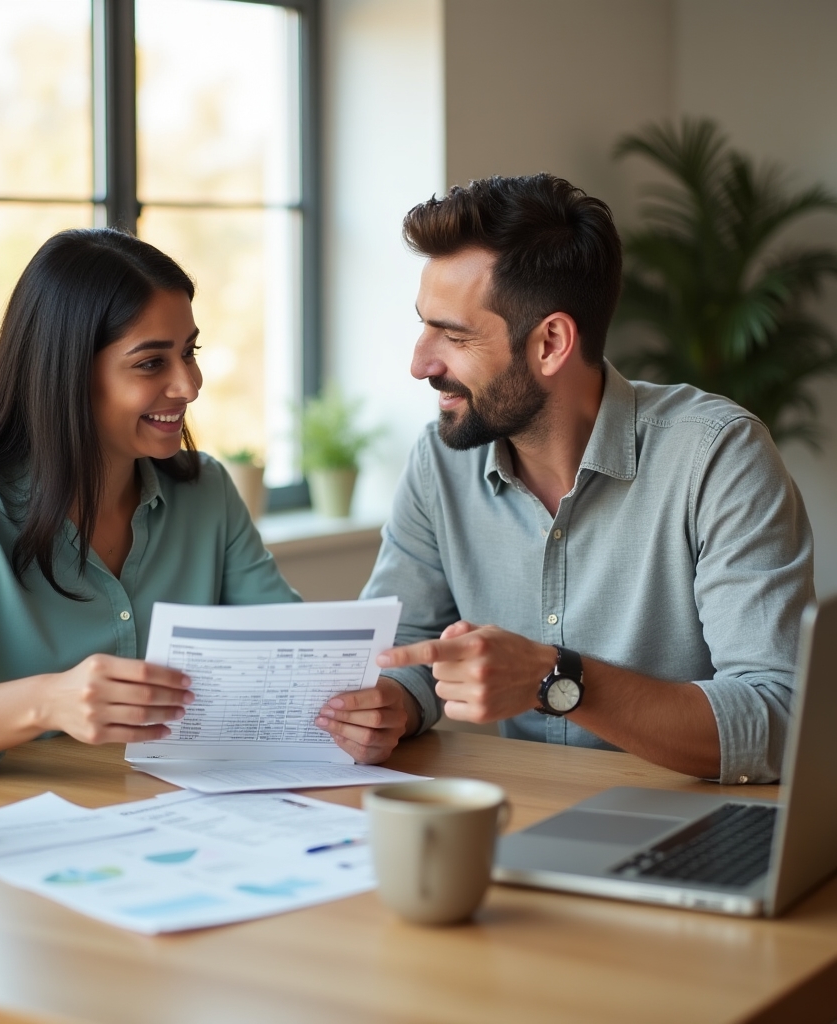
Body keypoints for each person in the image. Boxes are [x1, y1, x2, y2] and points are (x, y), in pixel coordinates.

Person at [314, 174, 814, 784]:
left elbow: (780, 717)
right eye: (424, 326)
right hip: (526, 808)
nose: (420, 363)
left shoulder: (717, 456)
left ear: (550, 342)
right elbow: (408, 646)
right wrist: (392, 702)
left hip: (693, 823)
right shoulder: (441, 461)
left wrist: (558, 677)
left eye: (453, 334)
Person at [0, 228, 301, 778]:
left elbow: (293, 651)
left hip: (184, 816)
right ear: (67, 372)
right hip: (17, 826)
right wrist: (49, 701)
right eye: (151, 363)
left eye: (189, 352)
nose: (190, 384)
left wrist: (372, 701)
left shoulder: (206, 490)